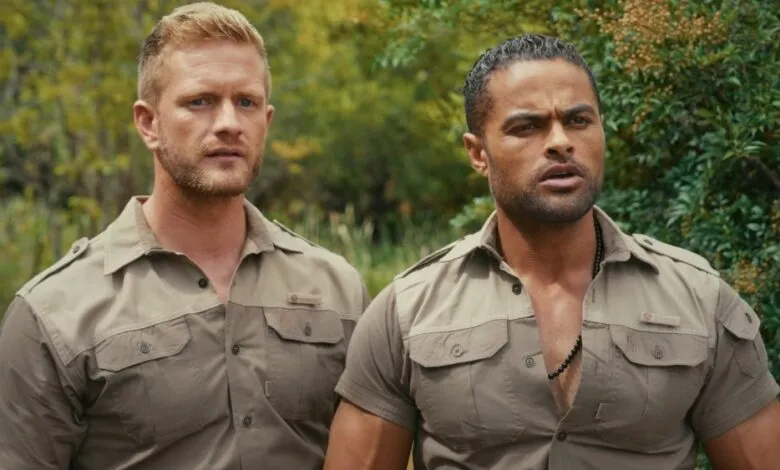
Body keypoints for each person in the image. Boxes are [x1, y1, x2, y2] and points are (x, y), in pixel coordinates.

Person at [323, 34, 780, 469]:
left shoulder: (698, 299)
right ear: (477, 153)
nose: (561, 141)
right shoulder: (408, 311)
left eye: (579, 121)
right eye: (527, 126)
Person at [0, 2, 368, 469]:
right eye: (200, 101)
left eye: (247, 102)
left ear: (267, 121)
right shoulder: (55, 312)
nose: (229, 123)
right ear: (148, 123)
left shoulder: (337, 289)